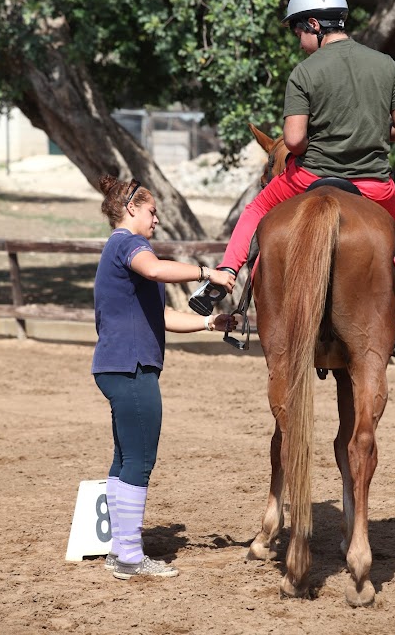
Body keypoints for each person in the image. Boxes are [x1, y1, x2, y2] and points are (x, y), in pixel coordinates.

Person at [189, 0, 395, 357]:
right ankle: (394, 326)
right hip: (374, 185)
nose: (299, 41)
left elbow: (293, 142)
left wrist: (327, 142)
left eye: (298, 31)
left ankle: (225, 276)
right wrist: (368, 136)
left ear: (314, 24)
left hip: (310, 177)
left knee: (256, 209)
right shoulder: (386, 65)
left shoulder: (305, 72)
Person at [92, 175, 236, 580]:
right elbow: (156, 270)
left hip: (115, 366)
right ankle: (130, 558)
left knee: (125, 458)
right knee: (140, 459)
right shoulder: (129, 245)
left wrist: (211, 322)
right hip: (131, 366)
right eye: (153, 211)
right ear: (132, 208)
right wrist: (207, 271)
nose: (157, 220)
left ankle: (120, 550)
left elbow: (165, 317)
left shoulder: (125, 253)